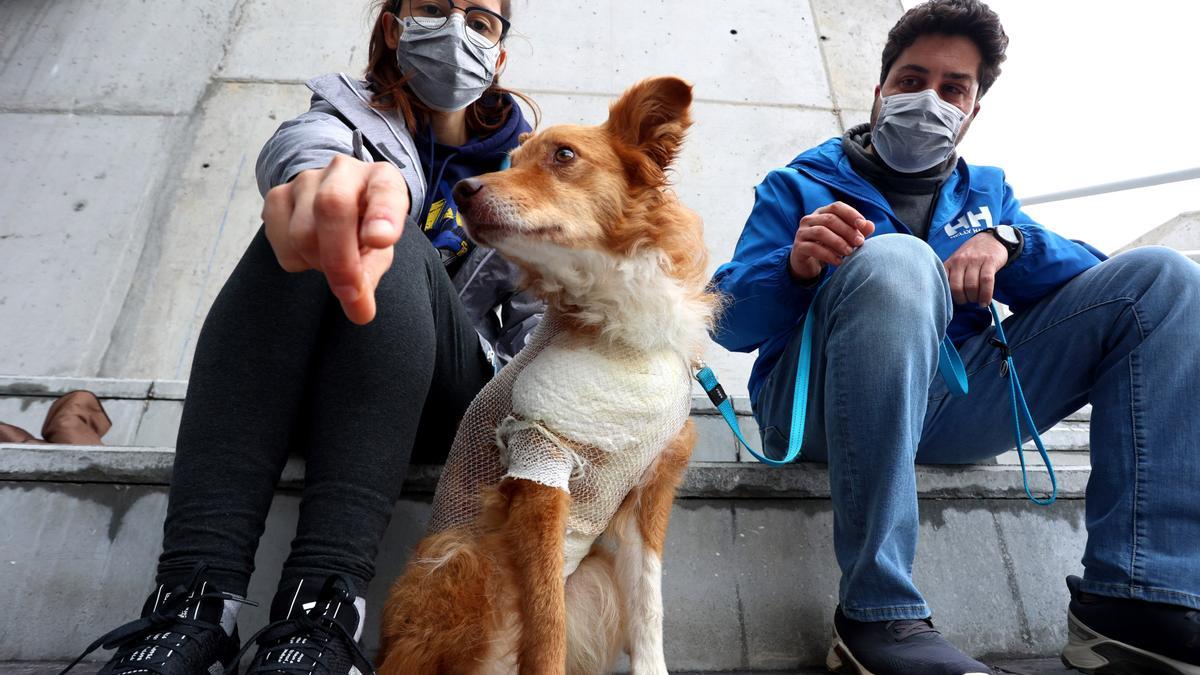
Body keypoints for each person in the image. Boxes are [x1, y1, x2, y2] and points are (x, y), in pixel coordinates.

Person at [710, 1, 1200, 673]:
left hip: (952, 405)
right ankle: (875, 615)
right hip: (822, 410)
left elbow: (1103, 281)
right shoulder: (800, 183)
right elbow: (727, 320)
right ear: (880, 91)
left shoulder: (987, 191)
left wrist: (1010, 243)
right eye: (912, 80)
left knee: (1166, 280)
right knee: (897, 259)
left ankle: (1136, 599)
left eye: (953, 88)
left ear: (972, 111)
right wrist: (793, 266)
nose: (929, 99)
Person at [64, 2, 540, 674]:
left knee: (389, 219)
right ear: (394, 24)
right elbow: (299, 147)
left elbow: (539, 339)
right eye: (434, 7)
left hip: (449, 402)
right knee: (333, 211)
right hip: (323, 388)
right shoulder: (342, 117)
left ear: (498, 54)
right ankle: (191, 605)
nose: (457, 28)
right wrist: (316, 185)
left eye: (480, 19)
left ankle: (322, 607)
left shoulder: (532, 173)